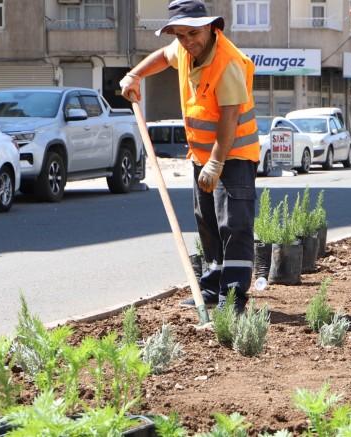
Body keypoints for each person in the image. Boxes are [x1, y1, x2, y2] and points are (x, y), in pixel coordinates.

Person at [120, 0, 259, 313]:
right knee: (207, 222)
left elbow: (229, 118)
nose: (187, 41)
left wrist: (216, 162)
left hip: (233, 156)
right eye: (180, 35)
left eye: (192, 33)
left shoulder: (228, 63)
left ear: (210, 27)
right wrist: (135, 75)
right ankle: (212, 287)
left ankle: (233, 298)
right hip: (202, 156)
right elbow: (164, 56)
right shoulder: (184, 49)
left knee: (234, 225)